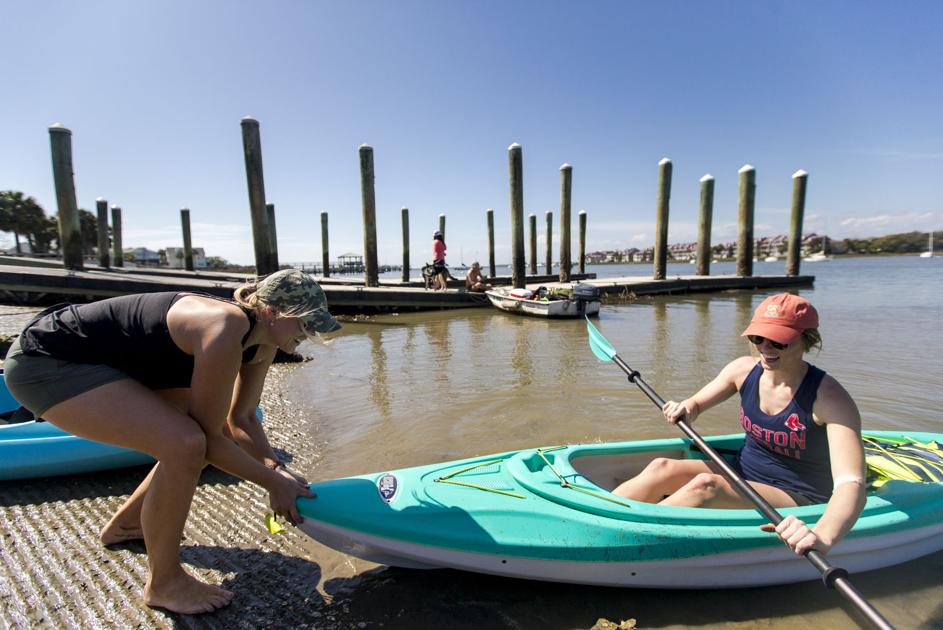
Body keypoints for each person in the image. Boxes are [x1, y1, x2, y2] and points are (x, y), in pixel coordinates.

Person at [2, 269, 341, 614]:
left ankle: (128, 525)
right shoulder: (224, 326)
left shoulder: (263, 343)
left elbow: (242, 419)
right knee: (187, 443)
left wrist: (275, 469)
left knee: (198, 436)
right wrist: (271, 483)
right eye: (304, 323)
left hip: (108, 365)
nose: (309, 334)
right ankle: (164, 583)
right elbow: (207, 440)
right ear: (271, 312)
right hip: (47, 361)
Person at [612, 293, 866, 557]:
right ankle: (602, 515)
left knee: (705, 486)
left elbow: (852, 484)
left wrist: (822, 535)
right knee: (660, 467)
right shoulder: (742, 370)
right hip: (742, 472)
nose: (765, 348)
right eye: (758, 338)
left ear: (807, 339)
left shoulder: (830, 399)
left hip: (798, 494)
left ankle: (625, 542)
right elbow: (695, 405)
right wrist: (685, 408)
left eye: (778, 341)